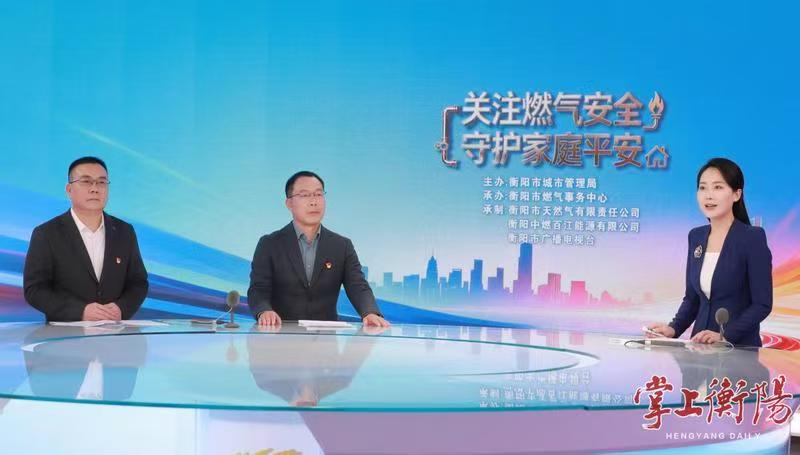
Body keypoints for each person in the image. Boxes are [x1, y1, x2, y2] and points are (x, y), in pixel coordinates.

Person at [647, 158, 772, 347]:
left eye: (718, 187)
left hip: (739, 349)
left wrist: (725, 335)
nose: (709, 195)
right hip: (699, 347)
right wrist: (673, 329)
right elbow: (692, 299)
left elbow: (762, 304)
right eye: (703, 188)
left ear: (736, 194)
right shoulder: (696, 236)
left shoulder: (752, 238)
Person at [248, 171, 389, 327]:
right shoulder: (269, 244)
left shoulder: (342, 246)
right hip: (281, 333)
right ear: (289, 203)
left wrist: (370, 312)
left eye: (318, 194)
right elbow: (258, 289)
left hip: (326, 336)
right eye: (305, 195)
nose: (313, 201)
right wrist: (264, 310)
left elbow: (358, 285)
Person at [23, 157, 149, 322]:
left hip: (115, 332)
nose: (94, 189)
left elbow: (138, 282)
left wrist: (121, 309)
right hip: (65, 334)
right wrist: (80, 311)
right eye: (86, 182)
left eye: (101, 182)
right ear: (69, 189)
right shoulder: (46, 234)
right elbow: (35, 289)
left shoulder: (125, 231)